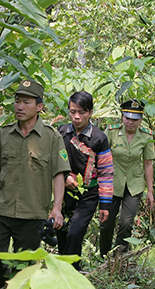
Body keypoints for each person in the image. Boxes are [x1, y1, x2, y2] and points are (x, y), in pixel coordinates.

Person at [0, 79, 71, 289]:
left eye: (26, 102)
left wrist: (57, 208)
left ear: (39, 107)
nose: (19, 106)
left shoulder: (52, 137)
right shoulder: (3, 135)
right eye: (17, 101)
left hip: (33, 212)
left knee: (25, 260)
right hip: (2, 208)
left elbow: (59, 173)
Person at [56, 91, 113, 268]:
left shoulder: (99, 138)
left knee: (75, 232)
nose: (77, 116)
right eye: (73, 112)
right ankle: (66, 271)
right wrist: (64, 177)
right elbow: (54, 159)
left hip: (88, 194)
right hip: (64, 192)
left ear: (90, 112)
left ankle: (70, 271)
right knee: (62, 232)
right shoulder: (62, 132)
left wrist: (105, 204)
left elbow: (106, 172)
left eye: (82, 112)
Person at [99, 99, 155, 256]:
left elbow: (148, 163)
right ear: (122, 116)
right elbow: (101, 156)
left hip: (134, 184)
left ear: (141, 120)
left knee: (126, 222)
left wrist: (150, 191)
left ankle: (120, 256)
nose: (130, 122)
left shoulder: (146, 136)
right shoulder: (111, 131)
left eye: (135, 119)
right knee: (107, 222)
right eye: (127, 118)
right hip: (111, 182)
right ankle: (104, 255)